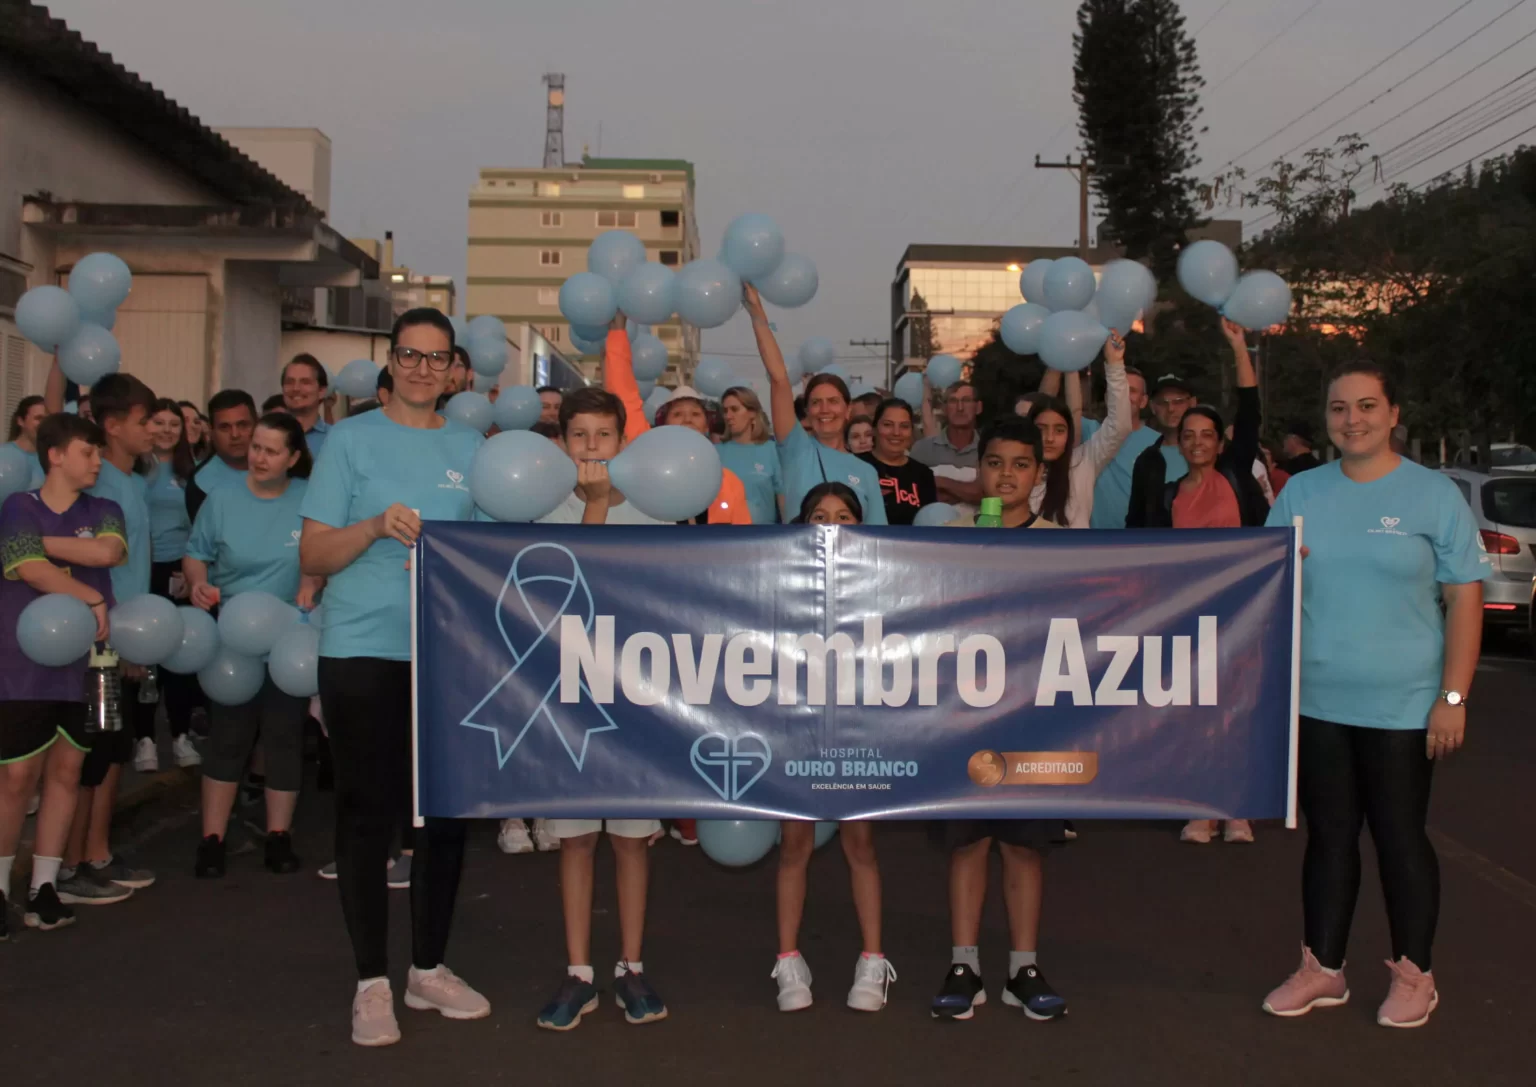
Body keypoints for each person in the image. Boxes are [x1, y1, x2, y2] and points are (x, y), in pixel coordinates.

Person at [1260, 362, 1484, 1030]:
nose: (1351, 419)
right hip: (1317, 699)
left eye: (1365, 406)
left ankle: (1416, 974)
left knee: (1398, 836)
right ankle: (1322, 967)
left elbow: (1464, 598)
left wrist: (1453, 696)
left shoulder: (1433, 494)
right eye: (1338, 408)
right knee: (1329, 837)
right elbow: (1262, 586)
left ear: (1392, 414)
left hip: (1405, 703)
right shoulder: (1301, 492)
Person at [300, 308, 489, 1047]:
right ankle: (371, 980)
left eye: (436, 358)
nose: (421, 368)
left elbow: (494, 554)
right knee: (366, 813)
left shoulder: (472, 448)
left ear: (454, 370)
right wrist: (376, 526)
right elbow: (313, 555)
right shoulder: (350, 440)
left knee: (444, 817)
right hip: (362, 648)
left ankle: (428, 968)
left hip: (447, 653)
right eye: (409, 354)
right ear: (391, 360)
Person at [530, 385, 670, 1031]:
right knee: (578, 838)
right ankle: (579, 971)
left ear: (623, 441)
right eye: (579, 435)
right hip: (570, 700)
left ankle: (631, 966)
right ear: (562, 442)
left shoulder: (655, 509)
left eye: (603, 435)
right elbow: (567, 588)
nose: (591, 447)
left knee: (633, 841)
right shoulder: (543, 508)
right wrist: (591, 507)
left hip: (636, 698)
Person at [932, 416, 1068, 1022]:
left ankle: (1023, 968)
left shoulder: (1064, 543)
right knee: (968, 843)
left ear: (1039, 474)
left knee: (1023, 847)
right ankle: (963, 964)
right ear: (978, 469)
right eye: (994, 463)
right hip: (963, 719)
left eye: (1020, 464)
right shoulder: (948, 538)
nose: (1006, 475)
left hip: (1033, 720)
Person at [0, 414, 129, 937]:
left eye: (99, 452)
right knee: (16, 777)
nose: (97, 461)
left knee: (69, 772)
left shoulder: (106, 509)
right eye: (87, 452)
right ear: (54, 455)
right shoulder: (17, 505)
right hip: (22, 660)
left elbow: (107, 551)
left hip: (95, 660)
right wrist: (90, 595)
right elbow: (30, 571)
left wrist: (32, 542)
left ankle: (46, 886)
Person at [773, 482, 896, 1014]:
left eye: (843, 516)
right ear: (802, 526)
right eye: (819, 516)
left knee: (860, 844)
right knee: (793, 844)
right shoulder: (779, 584)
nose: (831, 525)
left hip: (855, 726)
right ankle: (788, 962)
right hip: (796, 725)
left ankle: (873, 960)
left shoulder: (879, 584)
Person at [185, 413, 320, 878]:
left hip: (290, 637)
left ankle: (279, 836)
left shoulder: (310, 499)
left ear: (293, 457)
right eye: (256, 448)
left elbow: (322, 556)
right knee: (228, 736)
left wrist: (312, 583)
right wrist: (198, 583)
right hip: (235, 636)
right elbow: (196, 554)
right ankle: (212, 839)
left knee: (284, 735)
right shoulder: (222, 499)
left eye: (271, 451)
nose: (259, 457)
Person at [54, 372, 159, 903]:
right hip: (100, 641)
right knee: (91, 755)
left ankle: (96, 853)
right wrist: (117, 639)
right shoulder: (97, 487)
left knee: (112, 749)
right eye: (145, 421)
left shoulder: (133, 482)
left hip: (124, 638)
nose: (154, 429)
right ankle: (72, 865)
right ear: (113, 425)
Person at [743, 286, 887, 524]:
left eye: (833, 402)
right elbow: (779, 379)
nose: (825, 410)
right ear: (808, 412)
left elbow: (877, 537)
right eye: (816, 403)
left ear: (848, 410)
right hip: (798, 549)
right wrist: (756, 311)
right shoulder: (797, 450)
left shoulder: (867, 472)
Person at [601, 319, 752, 525]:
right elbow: (624, 396)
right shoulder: (645, 454)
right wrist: (618, 332)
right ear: (664, 425)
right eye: (678, 414)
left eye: (696, 414)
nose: (687, 418)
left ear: (707, 426)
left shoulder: (729, 483)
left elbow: (742, 539)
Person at [136, 399, 201, 773]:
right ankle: (144, 738)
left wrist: (188, 574)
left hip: (179, 571)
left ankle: (180, 735)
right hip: (140, 571)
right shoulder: (134, 469)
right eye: (158, 422)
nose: (166, 430)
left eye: (173, 424)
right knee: (144, 655)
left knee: (178, 654)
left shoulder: (191, 472)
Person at [1027, 333, 1131, 528]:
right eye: (1041, 429)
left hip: (1078, 549)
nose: (1049, 438)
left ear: (1069, 434)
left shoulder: (1082, 462)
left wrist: (1114, 364)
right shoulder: (1016, 470)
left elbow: (1120, 425)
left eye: (1059, 430)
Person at [1086, 366, 1160, 529]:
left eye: (1132, 391)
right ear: (1107, 397)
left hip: (1139, 539)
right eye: (1119, 389)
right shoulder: (1089, 432)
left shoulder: (1158, 443)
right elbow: (1041, 409)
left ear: (1143, 401)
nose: (1123, 395)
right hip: (1093, 540)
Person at [1125, 373, 1198, 528]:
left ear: (1192, 403)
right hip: (1160, 543)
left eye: (1178, 401)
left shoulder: (1211, 453)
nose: (1170, 409)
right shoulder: (1147, 461)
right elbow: (1135, 520)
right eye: (1162, 403)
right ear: (1152, 407)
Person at [859, 399, 936, 526]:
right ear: (874, 429)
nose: (896, 433)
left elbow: (929, 524)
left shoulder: (924, 475)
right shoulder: (855, 465)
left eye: (904, 426)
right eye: (888, 425)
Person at [717, 385, 784, 525]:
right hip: (723, 534)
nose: (728, 416)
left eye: (734, 409)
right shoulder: (715, 452)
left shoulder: (772, 450)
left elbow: (783, 499)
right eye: (725, 411)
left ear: (752, 413)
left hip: (764, 534)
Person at [186, 390, 257, 521]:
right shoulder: (201, 483)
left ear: (257, 426)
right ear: (211, 431)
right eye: (225, 427)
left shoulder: (280, 470)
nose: (235, 435)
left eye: (242, 425)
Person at [913, 380, 983, 511]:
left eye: (966, 400)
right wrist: (966, 491)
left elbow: (986, 493)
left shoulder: (988, 449)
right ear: (944, 408)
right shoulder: (922, 449)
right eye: (953, 401)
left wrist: (939, 481)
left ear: (978, 407)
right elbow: (913, 493)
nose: (960, 408)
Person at [281, 353, 332, 459]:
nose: (296, 388)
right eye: (289, 382)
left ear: (321, 391)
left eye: (305, 382)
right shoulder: (266, 435)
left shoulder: (335, 438)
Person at [5, 395, 48, 490]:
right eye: (38, 418)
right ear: (21, 421)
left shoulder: (50, 459)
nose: (43, 424)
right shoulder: (3, 454)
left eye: (46, 419)